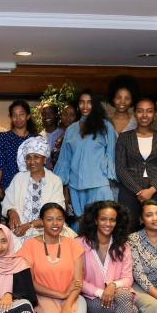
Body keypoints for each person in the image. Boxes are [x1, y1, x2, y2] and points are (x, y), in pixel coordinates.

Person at [54, 90, 118, 219]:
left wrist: (110, 176)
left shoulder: (105, 127)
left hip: (99, 184)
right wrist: (63, 187)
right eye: (82, 102)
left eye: (89, 103)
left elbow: (112, 155)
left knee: (104, 222)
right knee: (81, 225)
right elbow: (65, 160)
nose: (85, 106)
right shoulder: (71, 129)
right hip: (75, 186)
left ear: (95, 105)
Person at [2, 136, 69, 250]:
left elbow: (57, 213)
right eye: (28, 158)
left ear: (44, 159)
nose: (32, 161)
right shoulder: (19, 178)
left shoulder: (55, 180)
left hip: (48, 230)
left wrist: (29, 226)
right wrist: (12, 212)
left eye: (36, 157)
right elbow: (7, 202)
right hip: (20, 231)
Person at [116, 98, 157, 230]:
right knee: (128, 231)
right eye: (140, 111)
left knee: (155, 230)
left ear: (155, 115)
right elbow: (120, 168)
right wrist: (138, 191)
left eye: (149, 111)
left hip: (156, 191)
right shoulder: (124, 138)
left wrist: (151, 190)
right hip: (129, 192)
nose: (144, 115)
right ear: (135, 114)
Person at [0, 100, 40, 197]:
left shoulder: (36, 138)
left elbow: (41, 165)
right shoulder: (3, 137)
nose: (18, 118)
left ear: (28, 116)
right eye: (14, 115)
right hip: (9, 186)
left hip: (32, 186)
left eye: (21, 114)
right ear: (11, 117)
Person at [47, 104, 78, 170]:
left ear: (77, 117)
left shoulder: (78, 136)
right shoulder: (59, 133)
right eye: (65, 114)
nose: (67, 117)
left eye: (72, 115)